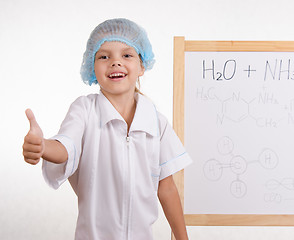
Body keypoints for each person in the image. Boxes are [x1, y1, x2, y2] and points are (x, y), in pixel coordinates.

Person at [22, 18, 192, 240]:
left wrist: (183, 238)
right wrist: (43, 146)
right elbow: (66, 146)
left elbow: (166, 188)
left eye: (127, 55)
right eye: (104, 56)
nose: (115, 62)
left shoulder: (156, 122)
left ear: (142, 66)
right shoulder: (84, 110)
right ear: (92, 67)